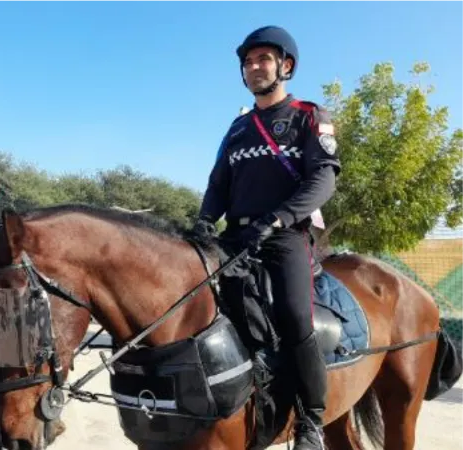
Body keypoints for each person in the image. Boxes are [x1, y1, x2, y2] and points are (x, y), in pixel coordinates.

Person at [194, 26, 340, 450]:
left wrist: (277, 219)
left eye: (263, 59)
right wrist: (205, 220)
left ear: (285, 66)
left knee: (295, 316)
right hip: (235, 237)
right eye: (248, 61)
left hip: (285, 235)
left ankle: (310, 420)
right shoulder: (238, 128)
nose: (254, 67)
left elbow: (322, 181)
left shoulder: (310, 116)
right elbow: (218, 183)